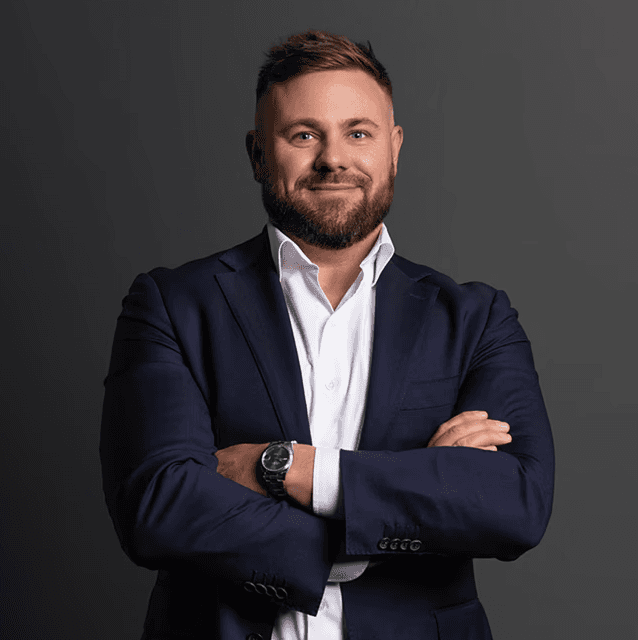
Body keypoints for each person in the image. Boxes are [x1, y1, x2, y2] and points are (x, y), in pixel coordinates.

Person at [100, 30, 554, 640]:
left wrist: (285, 468)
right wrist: (412, 494)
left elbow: (516, 505)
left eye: (358, 133)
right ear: (258, 154)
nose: (333, 158)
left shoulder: (477, 319)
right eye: (304, 135)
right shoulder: (172, 304)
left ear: (394, 148)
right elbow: (157, 507)